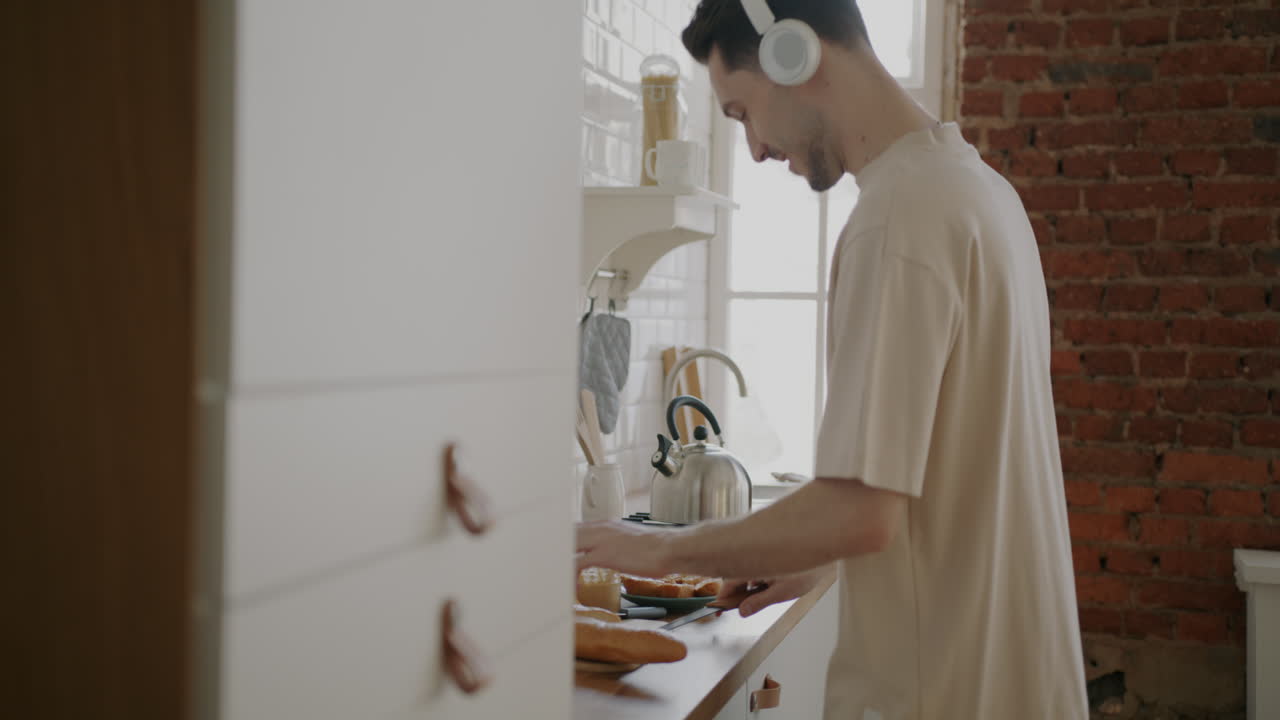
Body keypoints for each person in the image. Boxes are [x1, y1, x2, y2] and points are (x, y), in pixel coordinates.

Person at [575, 1, 1089, 717]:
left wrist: (655, 549)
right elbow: (954, 479)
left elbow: (860, 512)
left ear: (794, 54)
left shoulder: (897, 219)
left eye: (740, 111)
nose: (753, 148)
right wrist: (816, 555)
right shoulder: (981, 193)